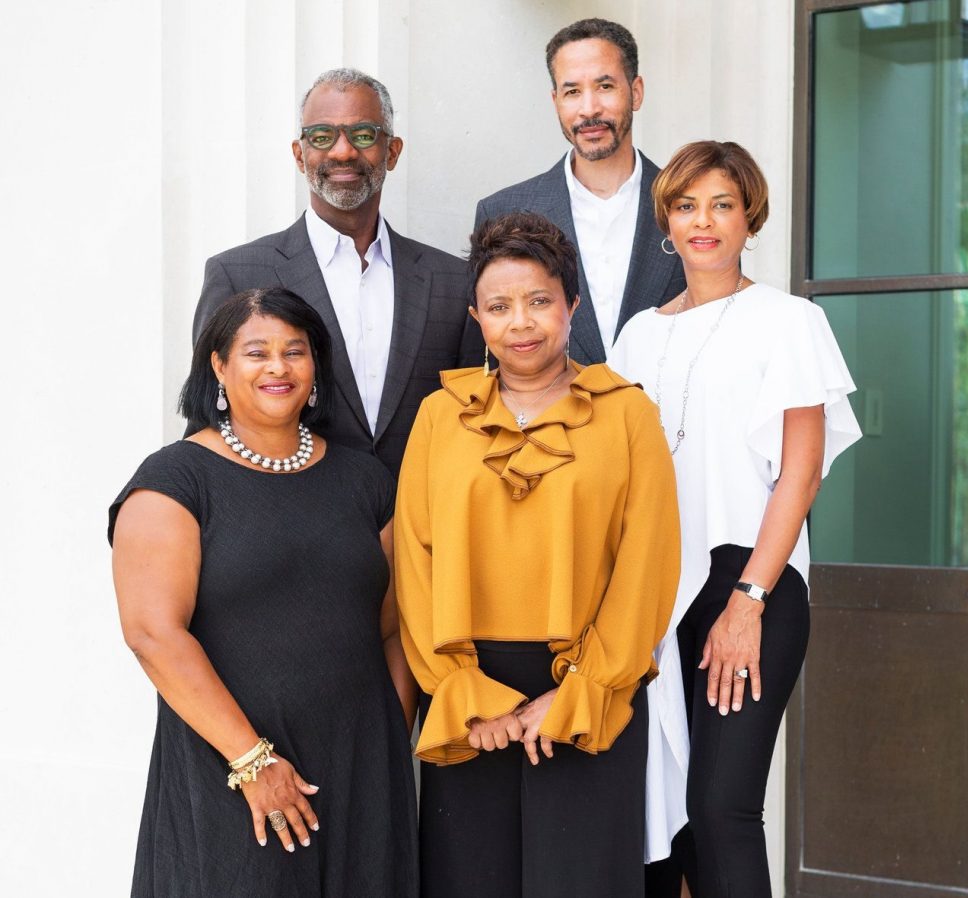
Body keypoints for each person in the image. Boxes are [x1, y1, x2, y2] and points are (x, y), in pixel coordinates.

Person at [394, 212, 681, 898]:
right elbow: (413, 559)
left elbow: (647, 564)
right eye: (498, 307)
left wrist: (583, 688)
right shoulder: (439, 415)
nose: (520, 322)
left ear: (571, 306)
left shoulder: (629, 414)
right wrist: (463, 690)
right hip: (468, 696)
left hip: (588, 689)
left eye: (539, 301)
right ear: (477, 319)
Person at [608, 141, 862, 897]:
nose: (704, 222)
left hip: (751, 579)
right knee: (670, 819)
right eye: (686, 206)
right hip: (656, 590)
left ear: (750, 216)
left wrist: (748, 601)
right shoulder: (637, 336)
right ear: (666, 220)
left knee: (722, 808)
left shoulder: (789, 321)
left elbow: (801, 472)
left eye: (722, 205)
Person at [109, 288, 418, 897]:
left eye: (294, 351)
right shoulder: (175, 480)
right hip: (231, 770)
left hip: (362, 770)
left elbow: (394, 626)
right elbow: (152, 634)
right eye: (257, 352)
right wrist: (252, 761)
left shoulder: (365, 480)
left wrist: (388, 739)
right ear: (219, 366)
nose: (278, 367)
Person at [194, 68, 482, 478]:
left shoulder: (453, 281)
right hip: (286, 509)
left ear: (392, 151)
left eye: (363, 135)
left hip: (421, 514)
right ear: (300, 155)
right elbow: (207, 420)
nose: (343, 152)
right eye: (322, 136)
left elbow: (471, 421)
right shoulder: (237, 274)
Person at [475, 18, 684, 366]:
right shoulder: (501, 213)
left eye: (605, 86)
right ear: (555, 100)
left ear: (636, 92)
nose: (589, 109)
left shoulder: (690, 206)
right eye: (572, 92)